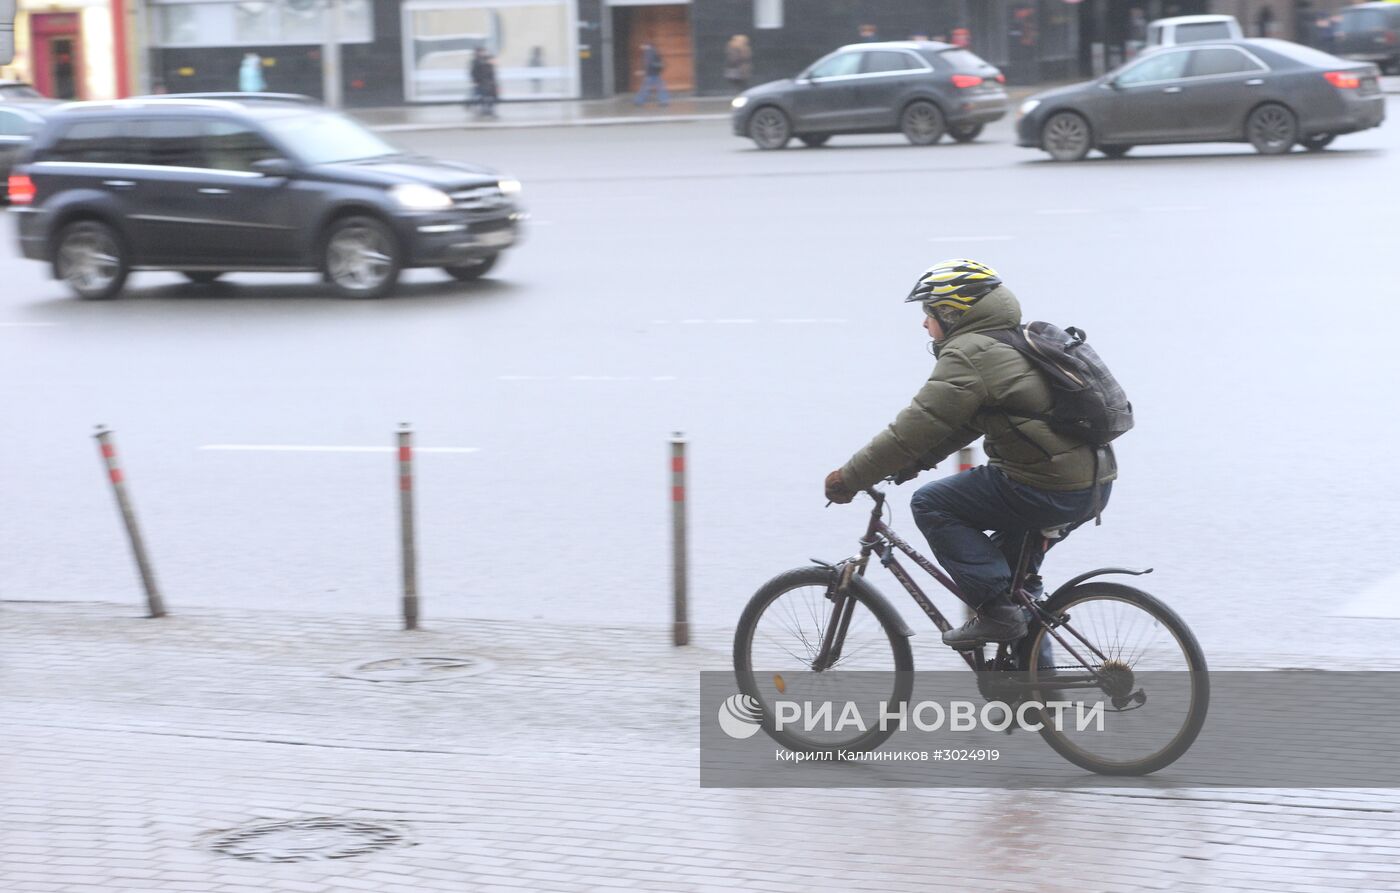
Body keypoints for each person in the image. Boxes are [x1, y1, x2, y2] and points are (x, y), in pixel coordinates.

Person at [824, 260, 1117, 650]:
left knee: (932, 503)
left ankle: (996, 613)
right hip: (1091, 483)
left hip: (1045, 487)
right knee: (1017, 591)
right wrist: (916, 462)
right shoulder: (1010, 339)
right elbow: (967, 423)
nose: (925, 324)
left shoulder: (970, 353)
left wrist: (850, 477)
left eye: (929, 312)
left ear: (951, 311)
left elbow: (911, 428)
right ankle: (1032, 697)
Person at [634, 43, 669, 108]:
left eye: (642, 46)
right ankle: (664, 101)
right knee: (660, 88)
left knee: (645, 88)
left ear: (645, 45)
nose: (641, 47)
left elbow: (648, 64)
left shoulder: (648, 53)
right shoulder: (655, 52)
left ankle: (639, 101)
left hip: (650, 74)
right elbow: (658, 63)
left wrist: (643, 71)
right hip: (656, 74)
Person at [469, 49, 498, 119]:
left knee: (488, 97)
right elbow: (475, 73)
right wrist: (475, 81)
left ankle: (487, 110)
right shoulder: (479, 62)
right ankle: (485, 110)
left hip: (488, 85)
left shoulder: (488, 65)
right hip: (483, 84)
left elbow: (492, 76)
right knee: (482, 97)